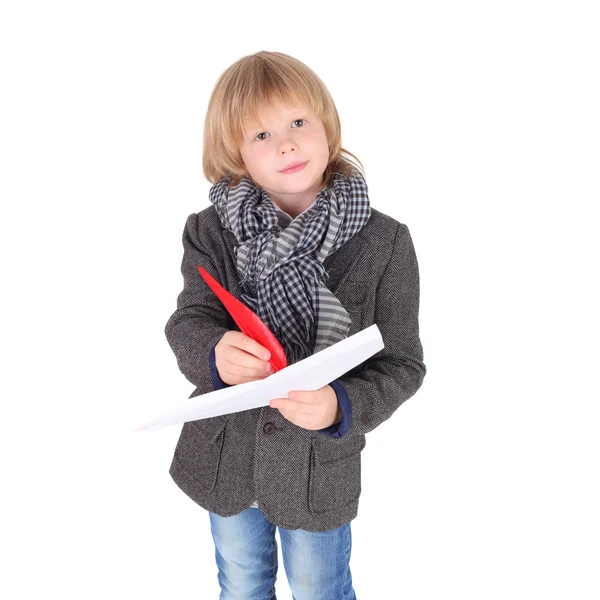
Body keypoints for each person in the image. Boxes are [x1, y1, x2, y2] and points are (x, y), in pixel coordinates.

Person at [164, 50, 427, 600]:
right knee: (239, 584)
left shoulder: (385, 242)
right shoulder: (210, 231)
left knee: (319, 590)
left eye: (298, 123)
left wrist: (340, 405)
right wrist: (215, 353)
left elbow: (402, 362)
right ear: (234, 155)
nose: (285, 143)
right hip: (226, 458)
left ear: (326, 126)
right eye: (260, 135)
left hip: (316, 467)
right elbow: (190, 318)